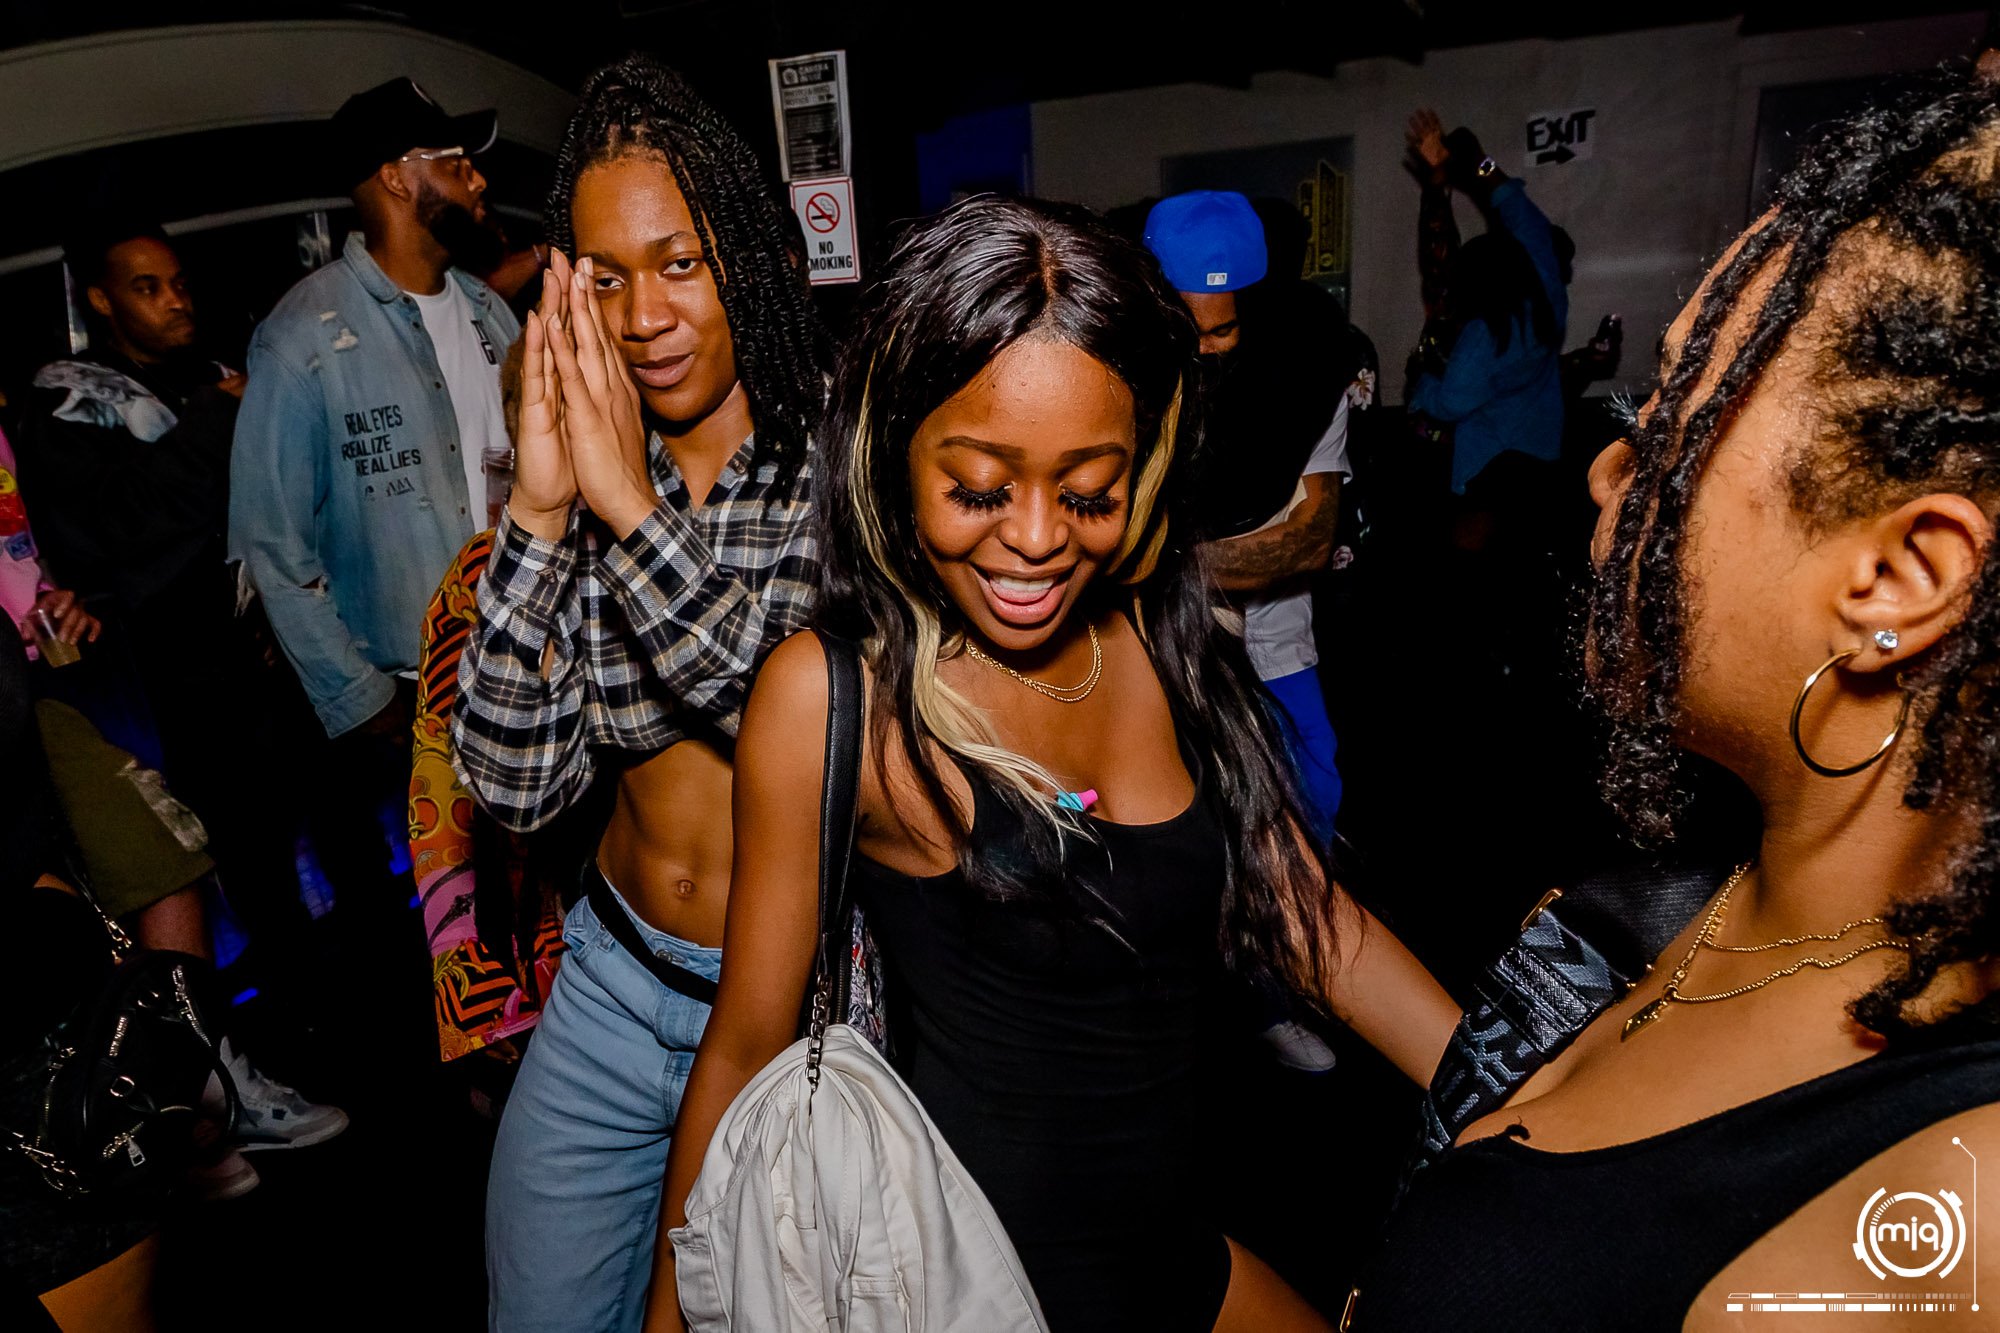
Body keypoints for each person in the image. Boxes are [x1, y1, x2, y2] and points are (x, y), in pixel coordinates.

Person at [656, 196, 1458, 1333]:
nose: (1036, 538)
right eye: (980, 487)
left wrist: (1519, 1093)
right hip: (980, 1295)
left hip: (1174, 1256)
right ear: (894, 456)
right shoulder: (838, 697)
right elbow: (744, 1047)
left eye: (1088, 491)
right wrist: (671, 1319)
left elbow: (1302, 909)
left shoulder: (1161, 635)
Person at [1349, 73, 2000, 1326]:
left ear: (1895, 581)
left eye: (1670, 434)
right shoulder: (1650, 907)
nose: (1610, 466)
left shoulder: (1940, 1211)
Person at [454, 54, 830, 1333]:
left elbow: (805, 740)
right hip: (609, 988)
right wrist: (539, 511)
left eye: (680, 263)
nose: (644, 314)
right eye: (605, 277)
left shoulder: (838, 460)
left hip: (806, 1016)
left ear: (752, 260)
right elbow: (513, 787)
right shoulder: (582, 469)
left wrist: (628, 512)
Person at [17, 219, 322, 994]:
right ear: (103, 301)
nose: (175, 301)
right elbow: (107, 536)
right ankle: (267, 1023)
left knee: (322, 839)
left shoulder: (217, 373)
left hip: (275, 653)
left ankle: (346, 1000)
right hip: (172, 685)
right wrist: (213, 424)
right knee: (234, 871)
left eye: (179, 283)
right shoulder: (72, 396)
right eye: (147, 288)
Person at [230, 76, 517, 743]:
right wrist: (362, 702)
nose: (478, 180)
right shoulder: (302, 339)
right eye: (456, 164)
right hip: (406, 701)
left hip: (518, 669)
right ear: (395, 178)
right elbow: (269, 552)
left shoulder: (493, 315)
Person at [1144, 190, 1353, 836]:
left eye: (1224, 331)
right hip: (1159, 656)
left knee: (1313, 798)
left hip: (1279, 645)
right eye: (1189, 332)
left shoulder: (1308, 382)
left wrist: (1165, 565)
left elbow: (1310, 539)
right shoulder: (1128, 389)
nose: (1206, 352)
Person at [1403, 111, 1567, 495]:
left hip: (1487, 466)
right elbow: (1521, 213)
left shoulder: (1483, 336)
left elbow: (1450, 403)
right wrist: (1480, 162)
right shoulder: (1549, 298)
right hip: (1542, 455)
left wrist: (1420, 380)